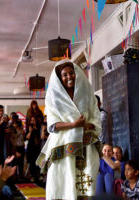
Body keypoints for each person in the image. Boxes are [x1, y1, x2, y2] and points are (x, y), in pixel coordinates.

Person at [36, 59, 101, 199]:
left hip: (86, 144)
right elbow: (52, 125)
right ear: (60, 78)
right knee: (62, 180)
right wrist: (74, 125)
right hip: (62, 146)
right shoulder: (53, 97)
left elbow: (95, 116)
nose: (69, 77)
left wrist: (88, 125)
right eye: (64, 75)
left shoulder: (87, 93)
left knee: (86, 181)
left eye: (71, 73)